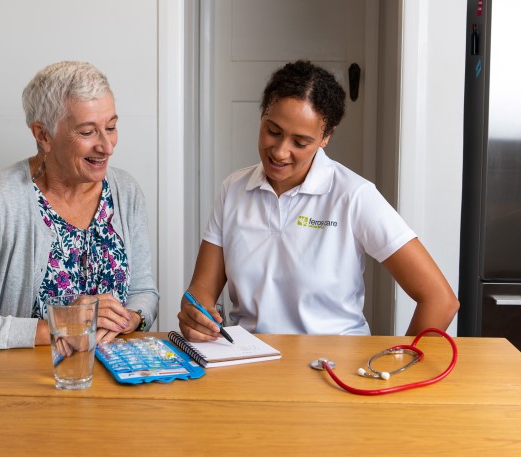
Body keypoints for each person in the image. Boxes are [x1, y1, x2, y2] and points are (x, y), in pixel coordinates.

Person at [178, 60, 458, 341]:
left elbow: (440, 300)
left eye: (300, 142)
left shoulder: (353, 195)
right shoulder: (234, 189)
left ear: (326, 137)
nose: (280, 151)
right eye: (273, 131)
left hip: (333, 369)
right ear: (262, 114)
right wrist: (196, 315)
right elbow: (200, 291)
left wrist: (403, 362)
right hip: (249, 361)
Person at [0, 61, 158, 351]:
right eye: (87, 133)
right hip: (23, 385)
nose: (107, 146)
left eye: (111, 127)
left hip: (116, 379)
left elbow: (142, 291)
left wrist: (131, 318)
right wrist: (56, 326)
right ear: (43, 135)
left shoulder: (125, 191)